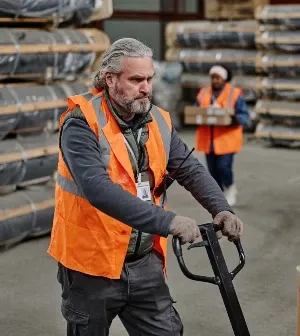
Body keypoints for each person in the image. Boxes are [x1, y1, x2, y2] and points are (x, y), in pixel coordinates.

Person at [47, 38, 244, 336]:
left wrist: (221, 207)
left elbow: (189, 168)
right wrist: (169, 221)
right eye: (136, 79)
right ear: (110, 79)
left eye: (150, 78)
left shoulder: (158, 121)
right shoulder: (81, 123)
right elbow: (98, 190)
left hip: (143, 262)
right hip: (92, 265)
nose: (146, 87)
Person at [194, 64, 250, 207]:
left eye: (218, 77)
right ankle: (218, 196)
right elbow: (195, 111)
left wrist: (230, 118)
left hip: (226, 140)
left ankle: (230, 188)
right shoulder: (203, 92)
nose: (215, 80)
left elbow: (244, 115)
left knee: (224, 167)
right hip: (209, 140)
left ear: (224, 79)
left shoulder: (234, 93)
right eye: (212, 77)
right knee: (212, 171)